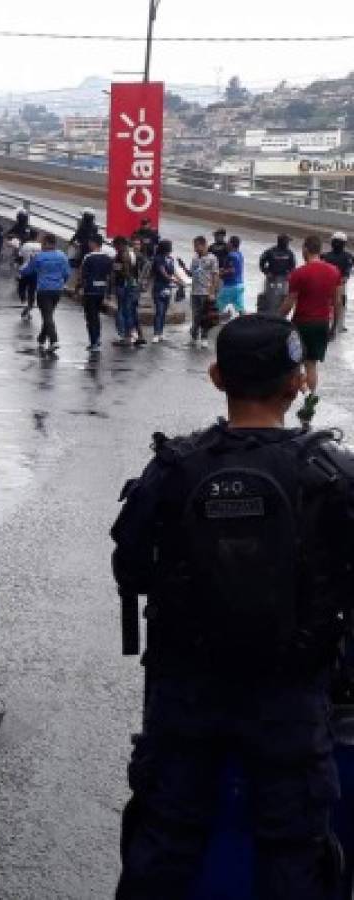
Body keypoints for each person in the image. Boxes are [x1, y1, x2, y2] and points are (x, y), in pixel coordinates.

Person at [112, 312, 354, 900]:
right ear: (298, 381)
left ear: (217, 377)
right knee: (294, 850)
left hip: (186, 691)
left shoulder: (174, 468)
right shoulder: (334, 473)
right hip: (291, 696)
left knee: (164, 840)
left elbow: (131, 566)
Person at [281, 235, 343, 424]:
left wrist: (275, 319)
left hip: (301, 323)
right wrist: (335, 326)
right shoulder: (334, 271)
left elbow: (290, 302)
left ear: (306, 249)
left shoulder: (299, 273)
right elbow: (338, 301)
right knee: (311, 365)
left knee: (293, 364)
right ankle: (309, 403)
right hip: (322, 323)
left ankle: (300, 398)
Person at [19, 234, 71, 354]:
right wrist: (61, 281)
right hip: (57, 290)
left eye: (43, 243)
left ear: (47, 243)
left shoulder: (39, 257)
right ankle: (42, 338)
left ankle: (54, 340)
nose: (41, 245)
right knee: (49, 314)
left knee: (47, 316)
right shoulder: (62, 256)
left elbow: (28, 271)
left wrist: (21, 271)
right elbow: (67, 273)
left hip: (44, 290)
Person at [78, 235, 112, 353]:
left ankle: (94, 341)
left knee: (90, 316)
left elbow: (82, 274)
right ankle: (97, 338)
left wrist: (80, 288)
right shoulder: (107, 258)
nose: (88, 244)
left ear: (94, 243)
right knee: (96, 316)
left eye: (90, 242)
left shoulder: (88, 257)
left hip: (90, 290)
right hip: (101, 291)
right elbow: (110, 276)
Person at [149, 239, 187, 344]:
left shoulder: (170, 259)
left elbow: (173, 272)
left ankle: (160, 333)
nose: (171, 248)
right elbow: (163, 273)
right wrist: (175, 281)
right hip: (159, 287)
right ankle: (156, 333)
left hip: (168, 288)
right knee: (159, 311)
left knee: (164, 311)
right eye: (170, 246)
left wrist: (181, 280)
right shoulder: (158, 259)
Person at [187, 236, 221, 350]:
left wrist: (212, 292)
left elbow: (215, 275)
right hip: (194, 292)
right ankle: (194, 336)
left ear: (203, 245)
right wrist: (183, 269)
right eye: (194, 246)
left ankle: (204, 338)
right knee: (195, 315)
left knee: (205, 317)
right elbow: (191, 273)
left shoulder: (212, 258)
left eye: (196, 245)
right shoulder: (195, 258)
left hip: (206, 292)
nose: (195, 248)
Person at [320, 232, 353, 337]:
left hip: (333, 283)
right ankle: (338, 324)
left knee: (335, 303)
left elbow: (347, 270)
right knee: (340, 304)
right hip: (339, 284)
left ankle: (335, 324)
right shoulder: (347, 256)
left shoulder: (326, 256)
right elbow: (348, 270)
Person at [113, 236, 144, 347]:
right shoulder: (133, 254)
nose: (114, 248)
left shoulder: (122, 255)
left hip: (124, 285)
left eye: (115, 245)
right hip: (133, 285)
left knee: (123, 311)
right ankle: (134, 335)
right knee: (130, 311)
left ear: (120, 244)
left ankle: (126, 336)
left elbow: (121, 271)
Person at [258, 234, 297, 316]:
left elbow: (293, 267)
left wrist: (289, 274)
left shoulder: (289, 253)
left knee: (283, 298)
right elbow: (261, 262)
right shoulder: (270, 251)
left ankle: (280, 316)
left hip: (284, 279)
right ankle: (267, 314)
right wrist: (266, 272)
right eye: (287, 241)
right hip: (271, 279)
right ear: (284, 242)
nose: (288, 244)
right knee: (269, 297)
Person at [217, 235, 246, 318]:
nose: (227, 244)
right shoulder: (240, 254)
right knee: (240, 308)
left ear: (231, 244)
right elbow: (236, 269)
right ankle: (246, 324)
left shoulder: (231, 255)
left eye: (228, 242)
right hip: (240, 285)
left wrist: (220, 273)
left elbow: (232, 270)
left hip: (230, 286)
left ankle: (220, 322)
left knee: (218, 306)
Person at [16, 229, 42, 320]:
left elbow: (20, 257)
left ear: (29, 235)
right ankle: (28, 308)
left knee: (21, 288)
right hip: (36, 272)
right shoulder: (40, 246)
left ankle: (24, 302)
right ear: (37, 236)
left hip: (25, 270)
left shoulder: (25, 245)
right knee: (32, 291)